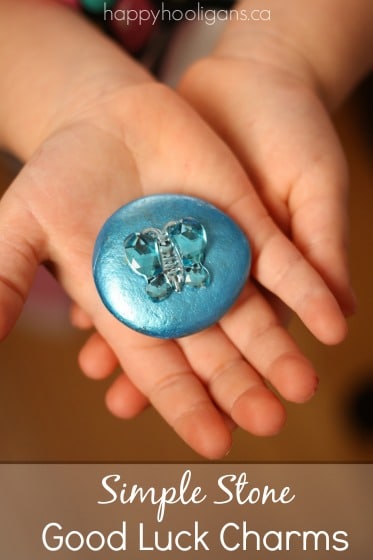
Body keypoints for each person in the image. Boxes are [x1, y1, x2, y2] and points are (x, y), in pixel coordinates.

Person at [0, 0, 367, 458]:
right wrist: (78, 98)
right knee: (62, 260)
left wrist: (282, 55)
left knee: (70, 269)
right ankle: (59, 278)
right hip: (55, 128)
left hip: (233, 63)